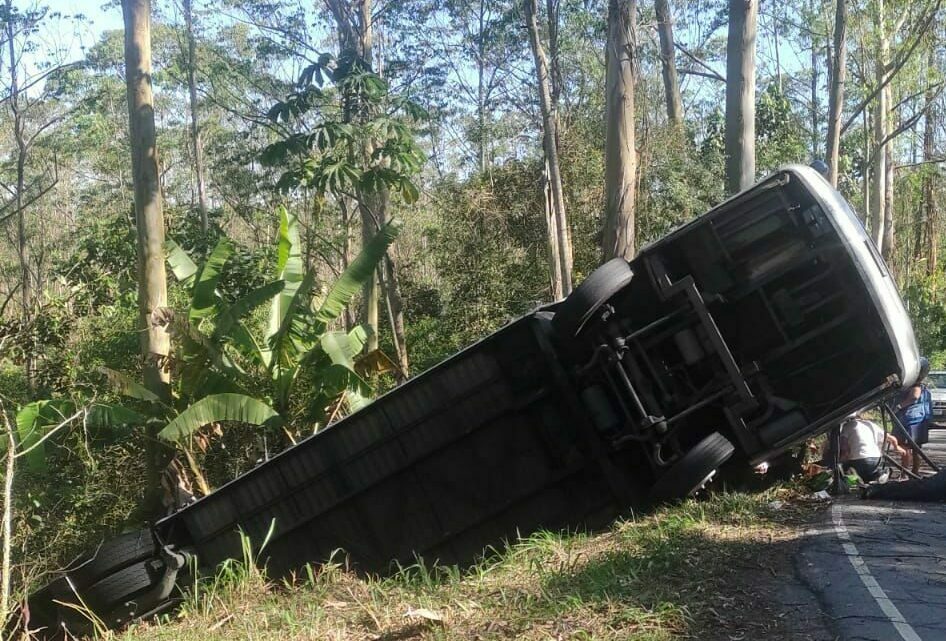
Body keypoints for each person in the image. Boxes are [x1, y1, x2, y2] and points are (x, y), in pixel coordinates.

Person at [839, 413, 908, 482]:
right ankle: (878, 475)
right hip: (875, 459)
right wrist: (897, 447)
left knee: (849, 471)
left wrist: (840, 463)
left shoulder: (847, 426)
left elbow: (845, 450)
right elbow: (891, 438)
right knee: (868, 475)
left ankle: (867, 478)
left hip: (857, 460)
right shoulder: (870, 424)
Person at [895, 356, 932, 474]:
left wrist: (899, 406)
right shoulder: (920, 385)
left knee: (909, 446)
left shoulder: (916, 386)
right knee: (914, 448)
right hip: (913, 419)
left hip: (912, 419)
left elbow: (914, 396)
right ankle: (912, 471)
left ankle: (908, 471)